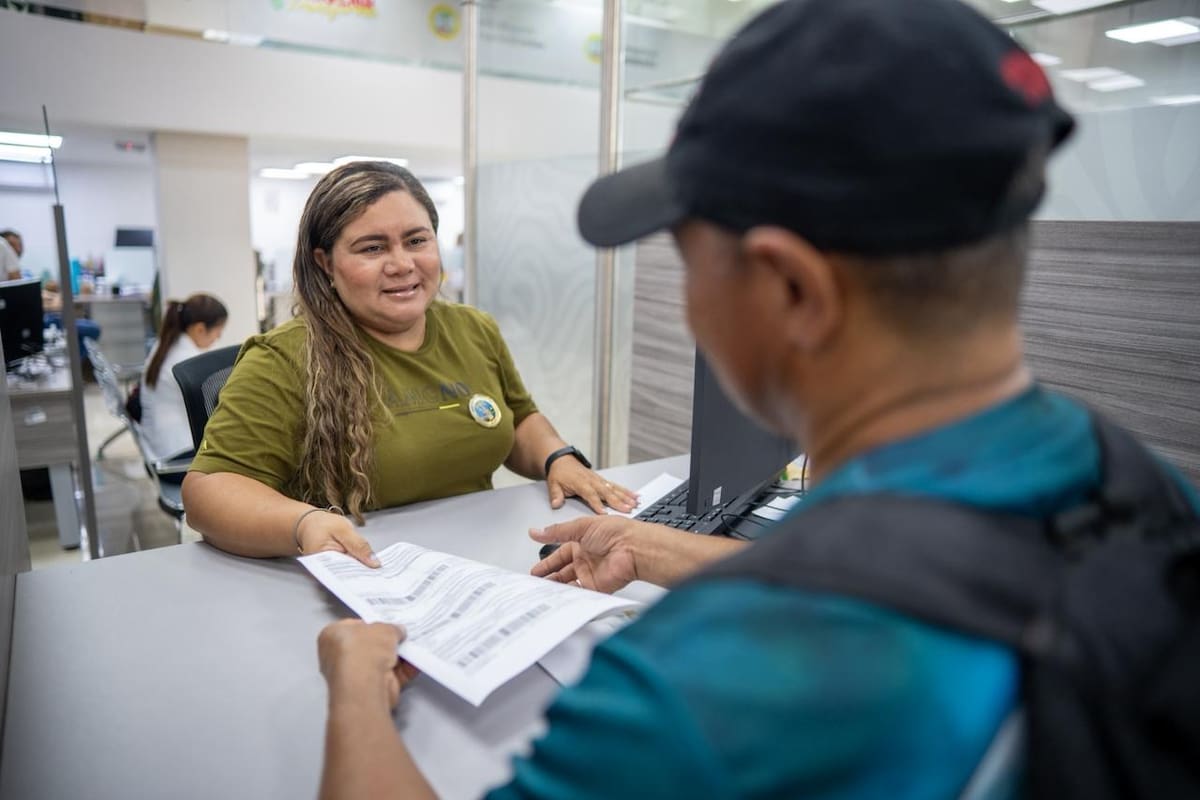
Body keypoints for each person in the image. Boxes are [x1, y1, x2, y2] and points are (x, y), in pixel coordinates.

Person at [311, 0, 1200, 798]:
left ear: (792, 293)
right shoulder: (1141, 490)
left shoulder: (704, 687)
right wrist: (662, 549)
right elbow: (945, 587)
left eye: (691, 263)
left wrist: (355, 686)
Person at [182, 161, 635, 566]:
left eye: (417, 240)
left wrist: (557, 457)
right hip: (364, 573)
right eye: (372, 248)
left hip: (484, 563)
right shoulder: (284, 358)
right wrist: (302, 524)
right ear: (325, 264)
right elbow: (209, 491)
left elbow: (516, 417)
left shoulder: (472, 329)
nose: (402, 264)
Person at [139, 293, 228, 462]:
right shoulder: (187, 362)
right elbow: (217, 406)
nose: (218, 337)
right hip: (176, 457)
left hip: (158, 446)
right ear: (200, 329)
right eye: (218, 330)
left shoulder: (167, 344)